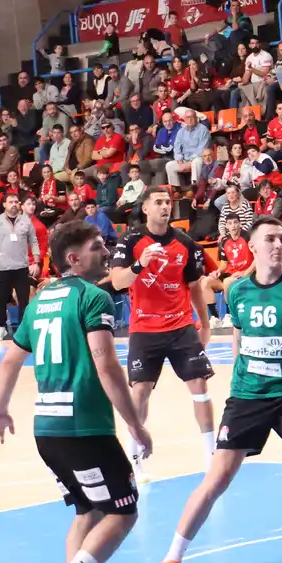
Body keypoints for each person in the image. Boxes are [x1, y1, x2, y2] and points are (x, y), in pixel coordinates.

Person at [156, 216, 282, 563]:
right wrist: (241, 376)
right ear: (253, 247)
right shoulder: (238, 291)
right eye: (269, 239)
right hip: (248, 397)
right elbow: (239, 337)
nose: (277, 245)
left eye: (281, 239)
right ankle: (172, 557)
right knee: (217, 478)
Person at [0, 220, 149, 563]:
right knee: (124, 512)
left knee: (87, 511)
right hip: (85, 428)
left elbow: (9, 361)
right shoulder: (94, 297)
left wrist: (0, 411)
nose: (106, 252)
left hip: (48, 430)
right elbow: (106, 364)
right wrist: (135, 423)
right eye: (97, 247)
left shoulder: (39, 301)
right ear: (74, 259)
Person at [109, 188, 215, 475]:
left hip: (180, 326)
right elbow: (118, 282)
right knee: (140, 391)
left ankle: (211, 455)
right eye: (158, 202)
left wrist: (205, 325)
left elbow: (194, 287)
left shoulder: (186, 244)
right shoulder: (131, 241)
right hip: (144, 328)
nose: (165, 207)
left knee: (200, 385)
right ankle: (134, 458)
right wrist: (139, 264)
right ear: (145, 208)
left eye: (168, 202)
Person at [0, 192, 40, 342]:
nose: (14, 204)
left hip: (21, 267)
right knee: (0, 299)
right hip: (2, 267)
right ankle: (1, 326)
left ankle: (23, 329)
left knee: (23, 299)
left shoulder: (26, 221)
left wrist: (36, 261)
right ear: (4, 204)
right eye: (11, 202)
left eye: (16, 202)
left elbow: (34, 241)